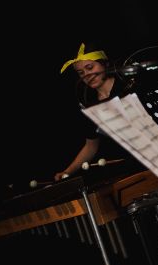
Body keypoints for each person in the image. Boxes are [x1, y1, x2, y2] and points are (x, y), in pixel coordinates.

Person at [55, 42, 133, 180]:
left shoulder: (128, 86)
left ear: (105, 64)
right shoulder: (89, 104)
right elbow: (91, 146)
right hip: (127, 170)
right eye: (81, 72)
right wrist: (68, 172)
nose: (86, 75)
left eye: (90, 67)